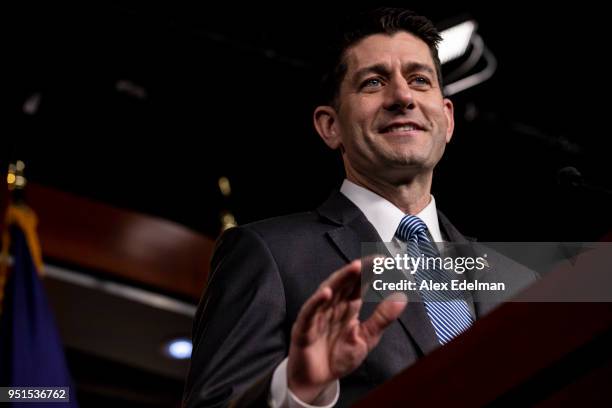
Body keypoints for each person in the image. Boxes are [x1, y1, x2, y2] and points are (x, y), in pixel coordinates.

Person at [183, 7, 536, 408]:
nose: (402, 97)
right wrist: (294, 390)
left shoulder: (517, 280)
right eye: (373, 83)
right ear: (330, 126)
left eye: (419, 80)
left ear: (447, 119)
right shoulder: (269, 253)